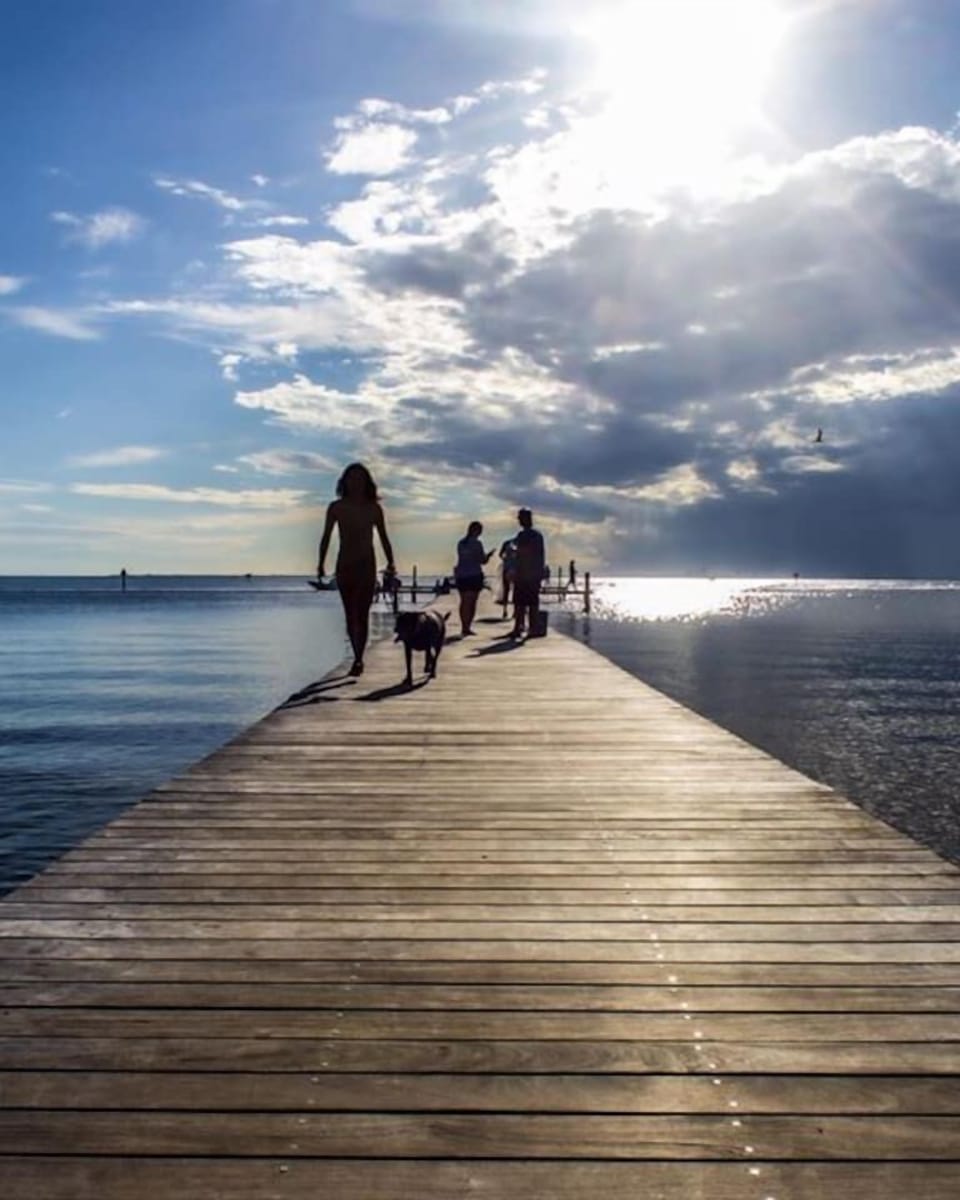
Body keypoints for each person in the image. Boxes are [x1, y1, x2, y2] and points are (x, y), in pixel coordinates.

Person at [317, 463, 396, 676]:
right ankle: (357, 653)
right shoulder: (336, 508)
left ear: (366, 483)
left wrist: (391, 562)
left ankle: (359, 659)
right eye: (351, 479)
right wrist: (321, 563)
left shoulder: (373, 508)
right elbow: (326, 537)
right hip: (345, 565)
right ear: (345, 482)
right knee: (350, 614)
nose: (355, 483)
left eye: (359, 479)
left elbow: (383, 537)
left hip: (366, 564)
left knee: (362, 613)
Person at [454, 520, 494, 637]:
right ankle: (468, 627)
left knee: (464, 602)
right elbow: (482, 560)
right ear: (477, 531)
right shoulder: (477, 543)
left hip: (461, 575)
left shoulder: (461, 543)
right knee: (471, 602)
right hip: (473, 575)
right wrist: (489, 556)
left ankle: (464, 626)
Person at [512, 507, 545, 639]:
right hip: (529, 574)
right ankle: (524, 627)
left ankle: (527, 627)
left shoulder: (529, 535)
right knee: (525, 602)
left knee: (527, 602)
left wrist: (516, 552)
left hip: (528, 574)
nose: (518, 520)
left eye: (520, 517)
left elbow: (526, 552)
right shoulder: (534, 535)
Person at [498, 536, 518, 619]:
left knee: (506, 590)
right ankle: (514, 611)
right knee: (516, 591)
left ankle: (505, 611)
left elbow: (500, 555)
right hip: (516, 569)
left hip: (507, 568)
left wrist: (505, 560)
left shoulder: (507, 543)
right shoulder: (518, 543)